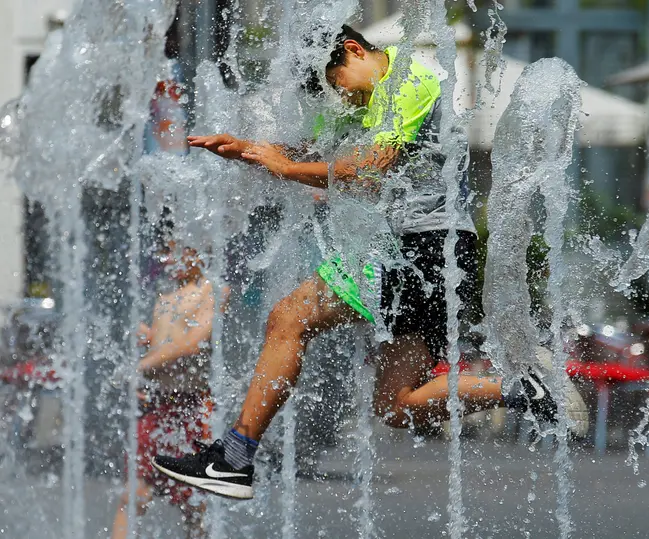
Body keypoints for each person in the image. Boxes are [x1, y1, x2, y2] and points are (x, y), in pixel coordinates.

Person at [152, 24, 588, 500]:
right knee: (396, 406)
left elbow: (367, 167)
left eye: (335, 82)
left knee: (287, 318)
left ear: (355, 51)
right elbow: (320, 157)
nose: (337, 97)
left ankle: (233, 459)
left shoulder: (408, 79)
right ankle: (523, 388)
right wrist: (252, 153)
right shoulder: (361, 97)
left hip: (424, 248)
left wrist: (288, 168)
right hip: (415, 251)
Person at [110, 241, 229, 539]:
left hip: (193, 407)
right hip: (157, 403)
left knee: (194, 502)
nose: (170, 256)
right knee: (134, 494)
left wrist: (139, 367)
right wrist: (148, 338)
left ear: (201, 250)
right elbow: (166, 345)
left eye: (180, 249)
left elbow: (192, 343)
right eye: (168, 249)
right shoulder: (165, 297)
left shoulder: (212, 291)